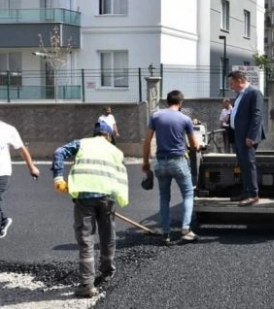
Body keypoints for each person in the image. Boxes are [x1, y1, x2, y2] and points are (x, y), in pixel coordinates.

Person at [52, 121, 128, 298]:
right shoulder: (115, 151)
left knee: (86, 239)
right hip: (107, 198)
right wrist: (118, 198)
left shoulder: (82, 143)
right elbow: (119, 175)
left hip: (84, 197)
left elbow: (59, 152)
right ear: (108, 136)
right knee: (108, 235)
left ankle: (87, 284)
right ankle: (108, 270)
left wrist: (58, 177)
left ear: (94, 134)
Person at [142, 90, 200, 244]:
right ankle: (185, 229)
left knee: (164, 197)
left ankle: (166, 233)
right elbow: (194, 144)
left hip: (160, 162)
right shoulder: (185, 119)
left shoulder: (155, 116)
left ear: (167, 102)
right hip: (178, 161)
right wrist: (198, 146)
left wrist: (146, 163)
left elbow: (147, 142)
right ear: (181, 103)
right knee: (188, 194)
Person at [227, 71, 266, 206]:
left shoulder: (254, 92)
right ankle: (246, 190)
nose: (230, 87)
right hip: (238, 135)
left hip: (247, 137)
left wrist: (251, 136)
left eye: (231, 83)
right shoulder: (240, 95)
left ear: (239, 81)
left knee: (248, 164)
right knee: (242, 164)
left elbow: (257, 115)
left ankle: (253, 194)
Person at [0, 121, 40, 239]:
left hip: (2, 172)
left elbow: (22, 149)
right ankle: (3, 221)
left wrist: (32, 167)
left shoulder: (7, 129)